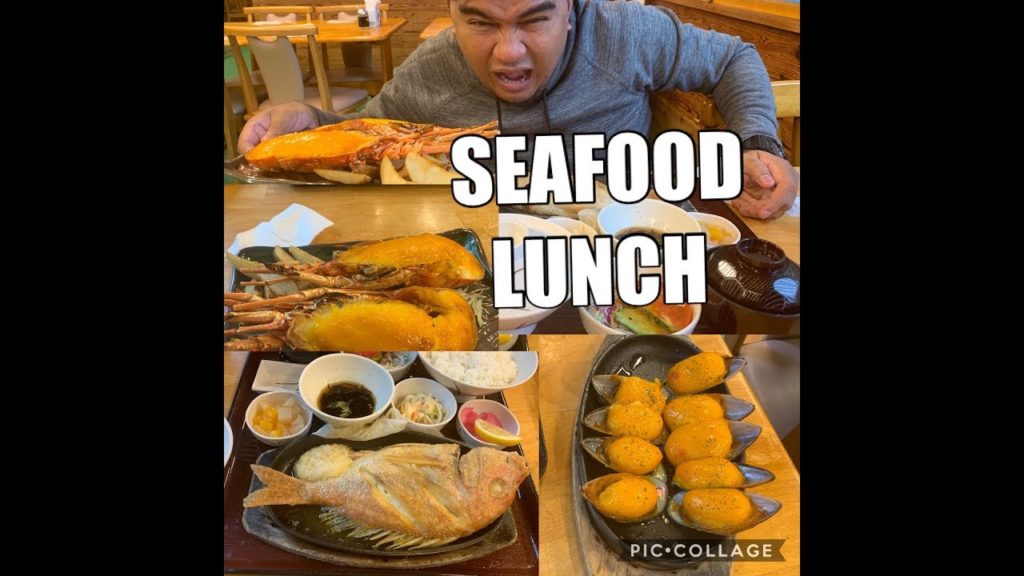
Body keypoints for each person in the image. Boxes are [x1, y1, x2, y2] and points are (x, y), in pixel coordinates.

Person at [238, 0, 798, 220]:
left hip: (626, 247)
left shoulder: (625, 31)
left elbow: (733, 58)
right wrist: (309, 122)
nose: (508, 53)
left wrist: (759, 142)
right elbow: (369, 140)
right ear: (454, 15)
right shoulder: (431, 67)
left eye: (534, 19)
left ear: (573, 12)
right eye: (480, 21)